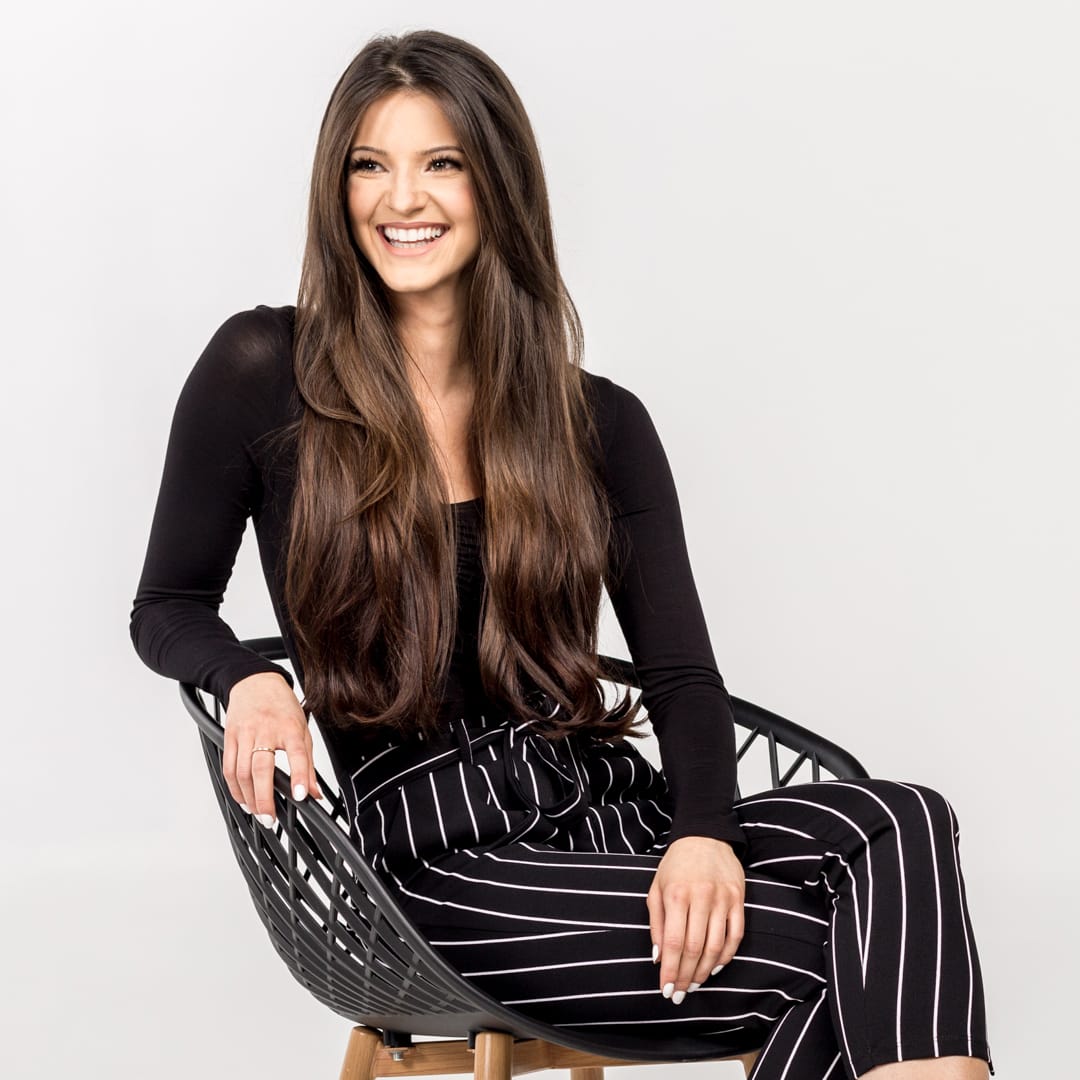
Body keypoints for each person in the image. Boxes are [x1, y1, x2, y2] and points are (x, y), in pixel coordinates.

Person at [129, 29, 993, 1079]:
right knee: (847, 956)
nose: (403, 198)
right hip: (436, 863)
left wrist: (703, 836)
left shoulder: (597, 422)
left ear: (497, 184)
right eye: (371, 163)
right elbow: (167, 604)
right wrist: (248, 676)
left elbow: (681, 676)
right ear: (337, 187)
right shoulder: (265, 370)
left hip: (601, 813)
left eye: (442, 162)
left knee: (906, 820)